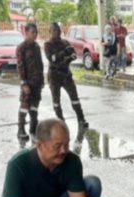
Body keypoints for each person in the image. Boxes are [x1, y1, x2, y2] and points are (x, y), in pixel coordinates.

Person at [44, 22, 89, 150]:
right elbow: (52, 58)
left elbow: (74, 55)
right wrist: (64, 54)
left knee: (75, 99)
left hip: (66, 75)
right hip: (54, 77)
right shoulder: (48, 45)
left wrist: (65, 58)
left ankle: (81, 119)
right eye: (54, 31)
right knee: (56, 103)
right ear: (50, 32)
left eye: (58, 31)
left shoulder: (65, 42)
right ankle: (61, 122)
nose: (56, 33)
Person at [15, 22, 43, 146]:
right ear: (26, 33)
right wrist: (23, 84)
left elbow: (40, 65)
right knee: (24, 106)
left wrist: (42, 80)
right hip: (27, 83)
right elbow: (20, 67)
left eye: (36, 32)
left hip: (37, 83)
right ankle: (21, 130)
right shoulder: (21, 48)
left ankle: (33, 129)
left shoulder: (37, 47)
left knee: (34, 107)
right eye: (33, 32)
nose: (35, 35)